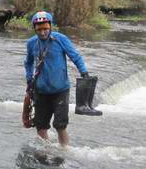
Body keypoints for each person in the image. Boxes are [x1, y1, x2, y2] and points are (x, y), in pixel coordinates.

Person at [24, 10, 100, 147]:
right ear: (34, 28)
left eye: (45, 29)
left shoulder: (60, 39)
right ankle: (44, 152)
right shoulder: (31, 43)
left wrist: (84, 72)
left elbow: (75, 56)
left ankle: (65, 151)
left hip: (61, 90)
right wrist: (29, 80)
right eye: (39, 29)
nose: (42, 32)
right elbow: (28, 62)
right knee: (40, 126)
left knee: (60, 125)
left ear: (51, 26)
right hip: (40, 91)